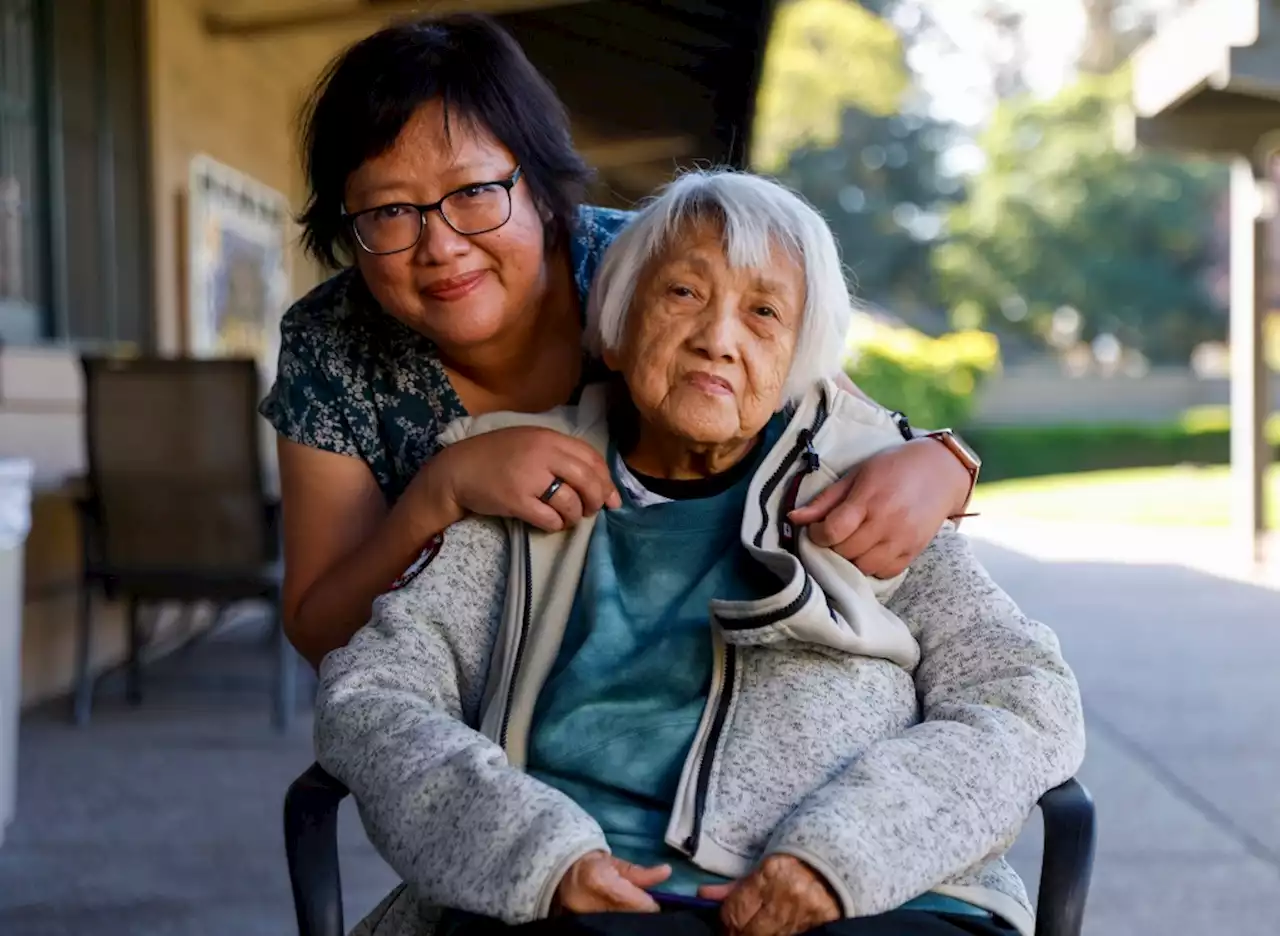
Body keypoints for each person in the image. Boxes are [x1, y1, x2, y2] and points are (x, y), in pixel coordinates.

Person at [314, 170, 1085, 936]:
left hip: (875, 903)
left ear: (796, 359)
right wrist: (530, 852)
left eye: (763, 312)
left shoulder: (865, 485)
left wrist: (848, 854)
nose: (719, 339)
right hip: (578, 899)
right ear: (615, 329)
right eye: (683, 294)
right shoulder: (526, 484)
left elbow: (1023, 694)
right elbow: (373, 691)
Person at [259, 14, 981, 669]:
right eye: (388, 210)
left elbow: (836, 418)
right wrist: (439, 492)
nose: (441, 244)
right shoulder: (332, 344)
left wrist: (942, 462)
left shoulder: (651, 269)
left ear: (541, 189)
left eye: (475, 191)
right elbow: (320, 628)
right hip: (484, 701)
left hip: (709, 664)